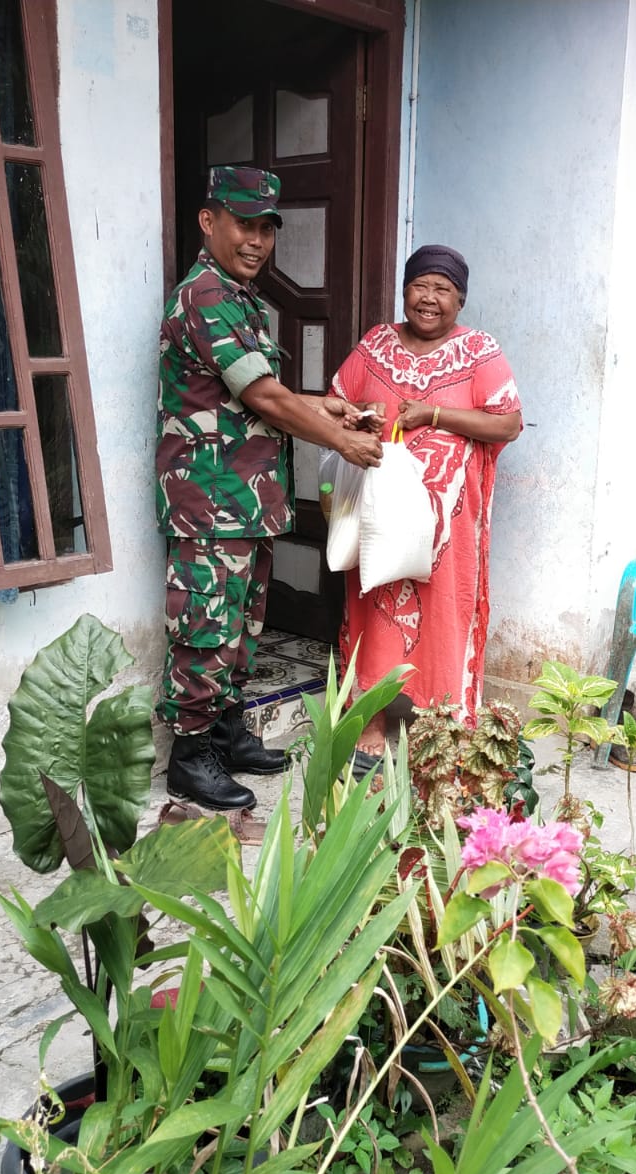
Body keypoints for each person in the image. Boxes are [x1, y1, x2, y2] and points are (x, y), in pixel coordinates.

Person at [156, 165, 383, 816]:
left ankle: (225, 734)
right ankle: (191, 756)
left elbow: (260, 394)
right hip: (208, 498)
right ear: (209, 221)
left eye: (265, 229)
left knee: (241, 624)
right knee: (206, 626)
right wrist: (339, 440)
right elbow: (263, 396)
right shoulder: (205, 296)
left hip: (245, 497)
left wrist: (327, 409)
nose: (256, 240)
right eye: (243, 224)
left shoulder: (242, 298)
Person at [329, 245, 522, 762]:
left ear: (460, 299)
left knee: (443, 612)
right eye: (420, 286)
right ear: (404, 290)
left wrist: (433, 414)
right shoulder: (376, 344)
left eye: (443, 290)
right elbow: (337, 401)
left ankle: (443, 721)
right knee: (374, 603)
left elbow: (507, 423)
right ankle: (370, 714)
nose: (429, 299)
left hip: (448, 528)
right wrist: (356, 421)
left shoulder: (479, 351)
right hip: (380, 513)